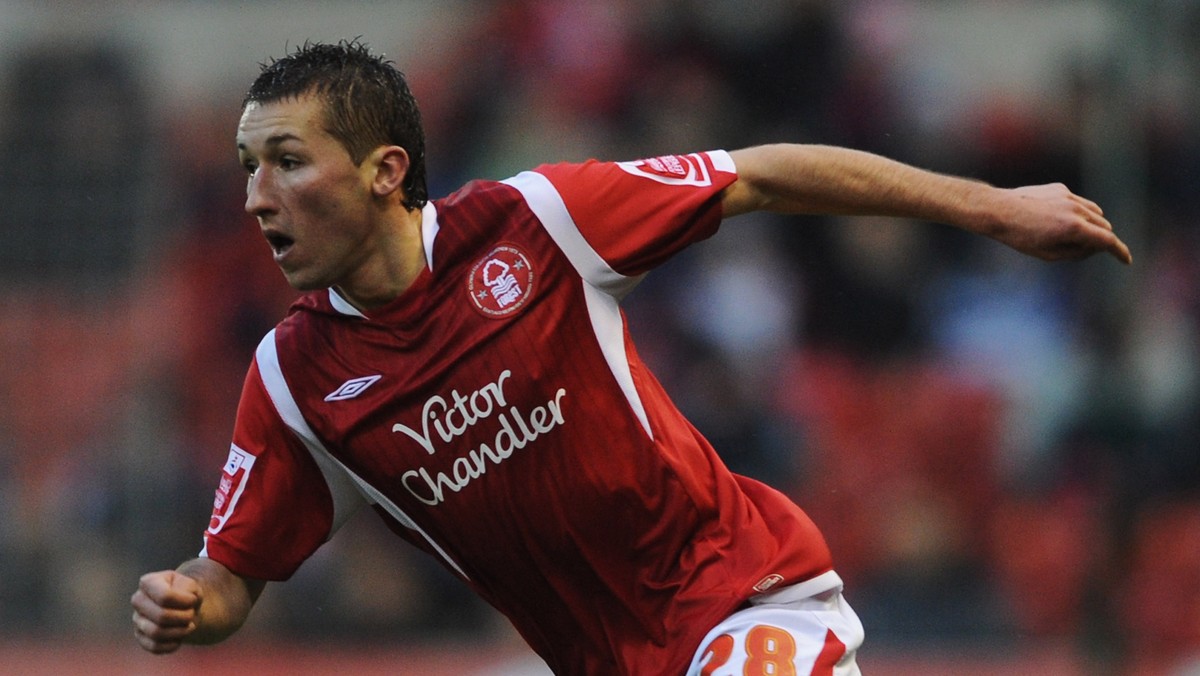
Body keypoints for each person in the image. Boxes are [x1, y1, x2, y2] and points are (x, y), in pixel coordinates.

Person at [130, 39, 1131, 675]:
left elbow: (760, 177)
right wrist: (188, 601)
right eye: (246, 169)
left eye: (287, 162)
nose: (256, 196)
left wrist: (993, 206)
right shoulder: (294, 380)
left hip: (746, 601)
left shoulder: (536, 221)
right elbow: (231, 579)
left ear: (386, 170)